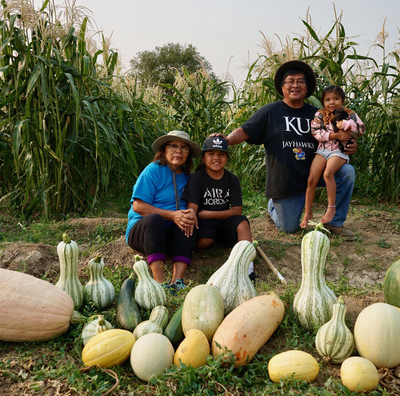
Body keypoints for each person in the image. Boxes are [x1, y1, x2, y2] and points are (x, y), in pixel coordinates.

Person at [215, 60, 358, 236]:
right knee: (289, 228)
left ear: (307, 88)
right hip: (286, 181)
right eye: (290, 81)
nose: (295, 85)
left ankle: (335, 223)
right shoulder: (270, 111)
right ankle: (273, 207)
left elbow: (341, 133)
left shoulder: (319, 114)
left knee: (347, 172)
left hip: (316, 172)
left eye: (300, 81)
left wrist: (350, 144)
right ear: (282, 87)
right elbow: (245, 130)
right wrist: (227, 139)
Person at [125, 130, 201, 291]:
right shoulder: (153, 170)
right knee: (155, 220)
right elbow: (138, 206)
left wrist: (186, 215)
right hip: (145, 231)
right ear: (164, 150)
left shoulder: (189, 177)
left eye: (184, 147)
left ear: (188, 153)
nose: (178, 151)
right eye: (173, 146)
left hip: (171, 234)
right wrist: (172, 215)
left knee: (188, 219)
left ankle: (177, 281)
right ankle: (159, 283)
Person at [181, 136, 256, 278]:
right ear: (203, 158)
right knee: (205, 242)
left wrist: (207, 214)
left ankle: (249, 270)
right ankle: (207, 245)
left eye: (221, 154)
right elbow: (193, 209)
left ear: (226, 158)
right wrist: (198, 216)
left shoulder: (232, 179)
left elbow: (237, 211)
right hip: (204, 223)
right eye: (211, 154)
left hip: (222, 220)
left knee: (242, 223)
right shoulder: (197, 178)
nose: (216, 158)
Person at [300, 85, 365, 229]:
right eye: (328, 99)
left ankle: (331, 207)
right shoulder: (320, 114)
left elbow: (360, 128)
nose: (332, 102)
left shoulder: (349, 114)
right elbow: (315, 132)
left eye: (336, 99)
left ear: (343, 100)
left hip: (338, 152)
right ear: (323, 102)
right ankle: (307, 213)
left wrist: (345, 124)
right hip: (322, 150)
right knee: (311, 179)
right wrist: (333, 135)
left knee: (328, 173)